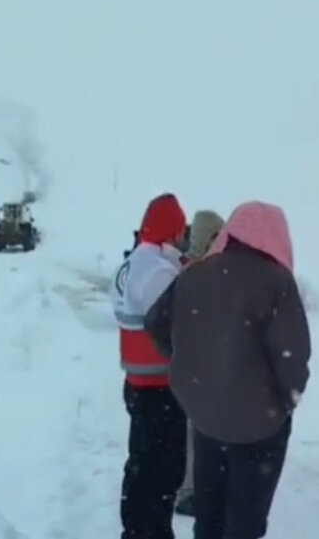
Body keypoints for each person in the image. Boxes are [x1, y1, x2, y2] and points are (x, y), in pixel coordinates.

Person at [145, 200, 311, 539]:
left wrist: (189, 363)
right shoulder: (277, 281)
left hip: (205, 417)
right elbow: (292, 356)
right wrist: (285, 401)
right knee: (245, 520)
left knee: (209, 513)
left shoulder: (195, 273)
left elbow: (155, 323)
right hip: (260, 427)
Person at [112, 193, 190, 539]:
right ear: (172, 232)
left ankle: (134, 529)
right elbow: (175, 322)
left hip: (137, 382)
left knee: (141, 464)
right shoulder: (157, 270)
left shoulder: (131, 263)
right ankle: (154, 532)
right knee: (164, 471)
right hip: (161, 386)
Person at [172, 209, 227, 518]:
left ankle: (192, 488)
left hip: (191, 370)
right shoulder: (200, 274)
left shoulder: (186, 270)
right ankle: (190, 492)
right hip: (199, 372)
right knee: (196, 436)